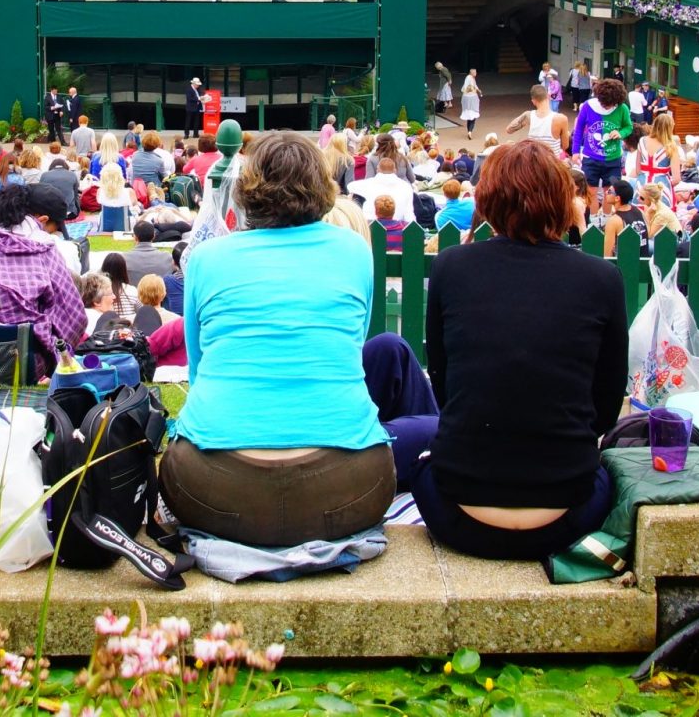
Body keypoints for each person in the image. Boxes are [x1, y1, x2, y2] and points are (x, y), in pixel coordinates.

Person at [372, 140, 626, 560]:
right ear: (563, 200)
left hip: (458, 511)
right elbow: (605, 409)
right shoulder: (601, 278)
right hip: (569, 510)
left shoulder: (453, 267)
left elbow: (447, 385)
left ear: (488, 199)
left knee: (421, 461)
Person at [162, 132, 393, 547]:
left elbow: (198, 370)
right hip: (349, 482)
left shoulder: (207, 258)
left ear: (247, 189)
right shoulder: (354, 250)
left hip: (213, 484)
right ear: (323, 187)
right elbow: (352, 344)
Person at [0, 185, 87, 373]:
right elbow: (74, 316)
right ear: (42, 220)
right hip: (22, 362)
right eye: (53, 229)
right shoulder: (44, 249)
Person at [570, 78, 632, 188]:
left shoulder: (623, 108)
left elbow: (628, 127)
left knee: (610, 193)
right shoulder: (588, 106)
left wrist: (621, 133)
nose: (607, 107)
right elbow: (578, 129)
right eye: (604, 104)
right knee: (590, 192)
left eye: (611, 104)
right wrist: (575, 151)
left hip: (613, 159)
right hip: (590, 158)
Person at [509, 84, 571, 155]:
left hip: (533, 162)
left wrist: (524, 116)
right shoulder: (561, 118)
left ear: (533, 101)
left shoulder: (528, 116)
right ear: (548, 96)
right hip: (552, 162)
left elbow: (509, 130)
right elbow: (565, 146)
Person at [459, 69, 482, 140]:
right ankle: (470, 131)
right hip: (472, 99)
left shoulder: (470, 78)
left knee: (469, 117)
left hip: (466, 99)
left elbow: (474, 86)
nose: (476, 73)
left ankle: (469, 131)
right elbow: (473, 86)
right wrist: (478, 91)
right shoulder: (470, 78)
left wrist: (478, 90)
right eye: (474, 72)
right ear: (471, 73)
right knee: (473, 116)